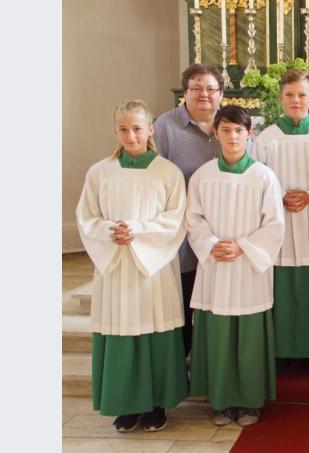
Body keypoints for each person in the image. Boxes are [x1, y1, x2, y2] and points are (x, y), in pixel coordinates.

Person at [76, 100, 188, 432]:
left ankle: (156, 405)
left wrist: (138, 232)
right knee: (121, 329)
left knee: (155, 329)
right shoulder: (100, 172)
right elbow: (86, 218)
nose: (131, 135)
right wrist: (111, 232)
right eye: (123, 129)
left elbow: (175, 219)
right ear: (115, 131)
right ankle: (125, 404)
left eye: (137, 128)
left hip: (152, 267)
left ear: (151, 129)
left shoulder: (167, 172)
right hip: (115, 265)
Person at [186, 106, 285, 427]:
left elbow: (274, 224)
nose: (232, 137)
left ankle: (249, 402)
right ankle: (222, 401)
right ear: (216, 133)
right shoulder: (203, 175)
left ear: (249, 134)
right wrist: (212, 244)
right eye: (226, 130)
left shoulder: (264, 176)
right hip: (215, 264)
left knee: (248, 338)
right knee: (219, 336)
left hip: (248, 268)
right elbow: (194, 219)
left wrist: (242, 246)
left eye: (238, 130)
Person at [250, 69, 309, 378]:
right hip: (279, 223)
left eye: (301, 94)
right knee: (282, 289)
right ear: (280, 98)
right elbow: (256, 179)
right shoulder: (267, 138)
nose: (296, 100)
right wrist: (280, 196)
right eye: (289, 95)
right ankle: (282, 349)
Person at [154, 64, 224, 357]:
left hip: (221, 231)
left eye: (210, 89)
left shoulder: (229, 124)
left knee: (216, 302)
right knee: (182, 301)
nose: (203, 94)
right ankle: (181, 365)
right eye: (196, 88)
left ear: (221, 93)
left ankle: (210, 367)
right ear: (185, 93)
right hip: (181, 234)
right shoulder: (165, 127)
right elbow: (153, 179)